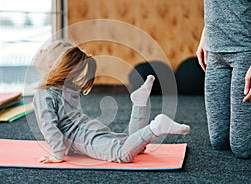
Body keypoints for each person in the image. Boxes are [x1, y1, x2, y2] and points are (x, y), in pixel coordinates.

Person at [32, 40, 190, 163]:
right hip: (89, 128)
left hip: (82, 138)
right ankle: (139, 104)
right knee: (135, 145)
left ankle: (157, 127)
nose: (40, 50)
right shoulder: (67, 88)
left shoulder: (43, 94)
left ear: (51, 65)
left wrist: (58, 153)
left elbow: (49, 125)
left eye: (45, 50)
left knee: (122, 155)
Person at [196, 0, 251, 159]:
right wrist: (206, 34)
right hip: (215, 53)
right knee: (219, 141)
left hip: (245, 52)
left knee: (242, 148)